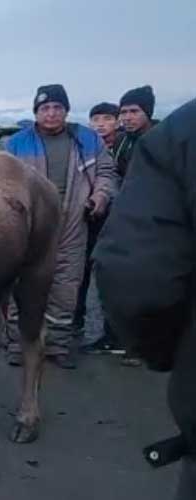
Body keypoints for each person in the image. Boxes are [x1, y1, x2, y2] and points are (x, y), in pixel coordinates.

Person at [94, 99, 196, 500]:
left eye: (129, 112)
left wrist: (170, 352)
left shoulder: (179, 134)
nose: (123, 119)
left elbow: (138, 278)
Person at [5, 84, 118, 369]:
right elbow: (3, 182)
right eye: (45, 108)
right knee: (22, 282)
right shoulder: (17, 143)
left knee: (66, 284)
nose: (51, 113)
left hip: (74, 217)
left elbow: (106, 172)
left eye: (58, 107)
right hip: (29, 221)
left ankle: (57, 345)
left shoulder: (87, 139)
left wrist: (100, 197)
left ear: (66, 111)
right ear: (36, 112)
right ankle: (19, 345)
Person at [75, 102, 122, 354]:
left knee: (109, 277)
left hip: (117, 222)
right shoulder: (84, 147)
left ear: (117, 121)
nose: (101, 124)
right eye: (96, 119)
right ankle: (76, 321)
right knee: (79, 273)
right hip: (88, 219)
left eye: (107, 118)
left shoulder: (125, 147)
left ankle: (115, 335)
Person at [114, 85, 156, 177]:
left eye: (134, 111)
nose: (127, 118)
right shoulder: (120, 141)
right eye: (123, 112)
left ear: (147, 113)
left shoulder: (165, 139)